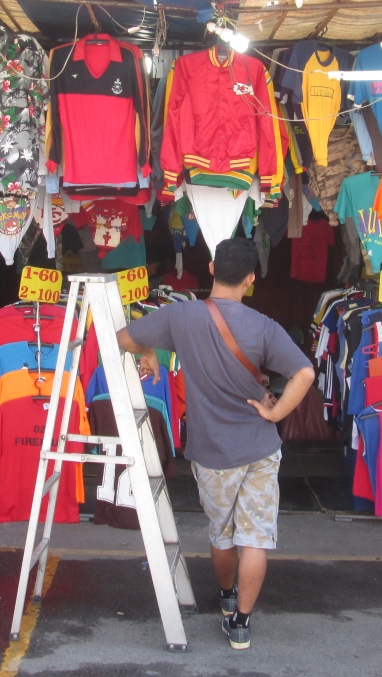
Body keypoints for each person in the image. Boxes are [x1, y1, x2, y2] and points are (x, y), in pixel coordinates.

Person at [116, 237, 315, 650]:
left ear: (211, 269)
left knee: (222, 534)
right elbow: (305, 374)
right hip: (260, 448)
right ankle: (241, 624)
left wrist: (148, 351)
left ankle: (226, 597)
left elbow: (122, 338)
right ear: (251, 279)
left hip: (212, 452)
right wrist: (274, 414)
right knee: (255, 537)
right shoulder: (263, 326)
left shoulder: (181, 315)